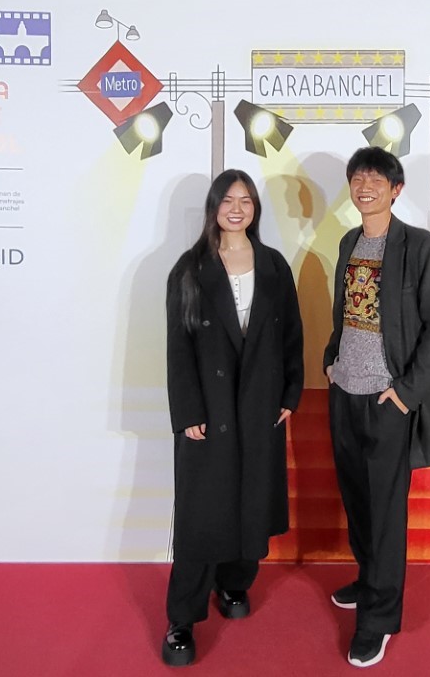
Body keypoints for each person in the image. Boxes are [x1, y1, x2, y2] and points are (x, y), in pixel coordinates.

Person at [321, 147, 430, 668]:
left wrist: (406, 392)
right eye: (358, 178)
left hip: (388, 399)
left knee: (384, 513)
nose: (365, 186)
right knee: (357, 501)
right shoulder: (348, 242)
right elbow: (345, 314)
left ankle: (378, 620)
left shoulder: (421, 247)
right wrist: (331, 358)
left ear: (396, 190)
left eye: (376, 179)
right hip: (344, 393)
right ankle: (370, 580)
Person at [160, 170, 305, 667]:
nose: (237, 208)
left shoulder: (274, 265)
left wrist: (290, 393)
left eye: (246, 200)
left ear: (255, 208)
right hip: (208, 409)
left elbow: (292, 335)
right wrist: (188, 412)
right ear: (213, 207)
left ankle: (233, 583)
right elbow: (177, 348)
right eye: (227, 200)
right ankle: (181, 618)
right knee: (201, 514)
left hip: (261, 405)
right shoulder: (189, 268)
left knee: (251, 501)